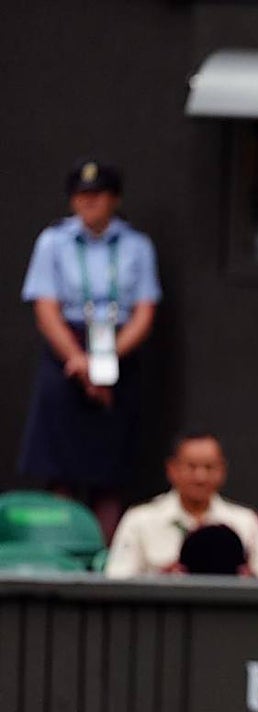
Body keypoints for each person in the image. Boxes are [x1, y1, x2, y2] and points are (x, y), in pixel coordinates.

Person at [17, 159, 162, 542]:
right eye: (81, 196)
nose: (88, 203)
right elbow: (45, 307)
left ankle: (104, 561)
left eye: (97, 195)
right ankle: (59, 551)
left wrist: (106, 360)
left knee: (109, 470)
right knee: (60, 464)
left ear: (114, 199)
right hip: (67, 349)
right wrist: (79, 361)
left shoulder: (136, 246)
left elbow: (145, 312)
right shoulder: (53, 242)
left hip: (117, 346)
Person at [105, 432, 258, 582]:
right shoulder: (139, 519)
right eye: (191, 467)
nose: (200, 477)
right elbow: (116, 582)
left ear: (222, 470)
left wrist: (248, 577)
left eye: (209, 467)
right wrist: (160, 578)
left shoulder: (248, 522)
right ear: (172, 469)